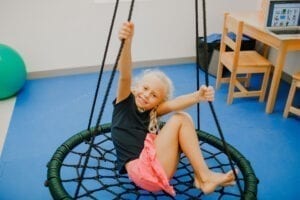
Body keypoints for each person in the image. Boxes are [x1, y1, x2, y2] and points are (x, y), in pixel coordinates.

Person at [111, 21, 236, 197]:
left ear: (157, 103)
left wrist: (197, 96)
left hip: (153, 168)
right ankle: (205, 176)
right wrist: (127, 42)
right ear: (136, 87)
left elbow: (174, 104)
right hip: (143, 171)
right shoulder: (124, 103)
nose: (147, 95)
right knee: (180, 119)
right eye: (145, 88)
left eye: (154, 95)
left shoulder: (151, 112)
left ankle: (201, 178)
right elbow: (125, 75)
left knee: (181, 118)